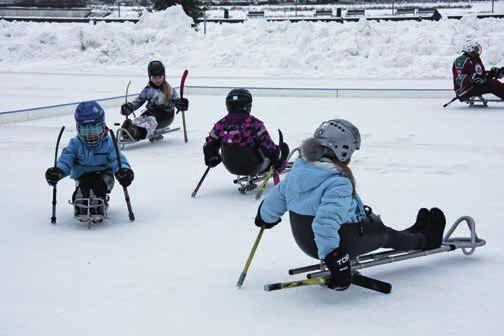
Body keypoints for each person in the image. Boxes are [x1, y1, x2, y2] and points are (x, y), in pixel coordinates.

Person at [254, 119, 446, 291]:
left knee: (380, 229)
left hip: (306, 241)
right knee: (384, 234)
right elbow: (324, 224)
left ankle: (411, 233)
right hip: (341, 241)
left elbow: (275, 200)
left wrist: (265, 216)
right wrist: (336, 260)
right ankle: (425, 240)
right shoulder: (338, 182)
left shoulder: (298, 170)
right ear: (341, 149)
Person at [45, 101, 134, 217]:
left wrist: (123, 171)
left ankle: (98, 203)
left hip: (104, 175)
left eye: (95, 130)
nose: (91, 135)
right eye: (86, 131)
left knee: (98, 185)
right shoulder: (75, 144)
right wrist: (59, 171)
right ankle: (81, 203)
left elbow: (118, 160)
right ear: (78, 129)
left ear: (102, 126)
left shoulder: (109, 144)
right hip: (83, 176)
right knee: (84, 187)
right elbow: (66, 160)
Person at [203, 88, 289, 174]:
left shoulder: (221, 124)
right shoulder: (253, 123)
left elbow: (209, 145)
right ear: (247, 106)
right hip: (254, 166)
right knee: (283, 148)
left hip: (231, 166)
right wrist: (278, 158)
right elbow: (268, 146)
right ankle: (281, 163)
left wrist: (212, 156)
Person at [120, 60, 189, 141]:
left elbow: (175, 100)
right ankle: (130, 129)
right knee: (139, 120)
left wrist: (180, 103)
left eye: (160, 77)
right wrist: (129, 107)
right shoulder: (147, 90)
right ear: (150, 77)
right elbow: (139, 101)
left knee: (150, 122)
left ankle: (137, 133)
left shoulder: (168, 89)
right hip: (151, 113)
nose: (157, 80)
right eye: (154, 77)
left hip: (165, 115)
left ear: (164, 76)